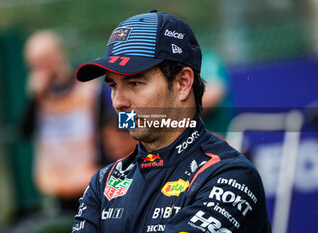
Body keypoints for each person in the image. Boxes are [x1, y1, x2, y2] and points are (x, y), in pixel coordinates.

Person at [72, 11, 271, 233]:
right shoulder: (104, 182)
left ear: (183, 83)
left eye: (135, 83)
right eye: (113, 86)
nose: (118, 102)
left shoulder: (229, 175)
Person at [22, 30, 100, 211]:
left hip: (91, 176)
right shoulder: (38, 96)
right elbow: (24, 132)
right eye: (36, 65)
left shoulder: (87, 87)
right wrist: (33, 98)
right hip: (58, 183)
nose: (43, 69)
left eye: (46, 61)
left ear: (59, 54)